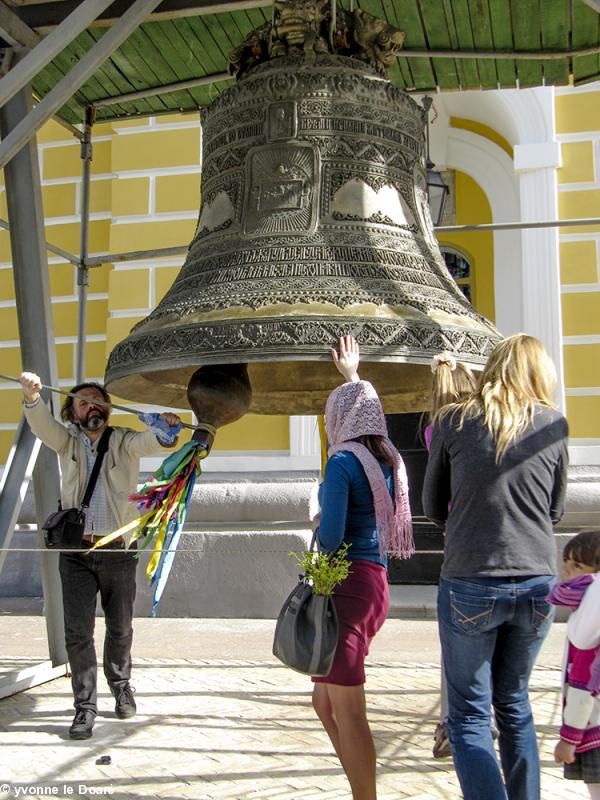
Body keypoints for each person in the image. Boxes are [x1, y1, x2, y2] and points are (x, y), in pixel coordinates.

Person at [422, 333, 569, 800]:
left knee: (468, 713)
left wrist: (467, 521)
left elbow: (433, 505)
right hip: (538, 578)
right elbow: (555, 510)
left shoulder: (454, 420)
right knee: (515, 703)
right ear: (539, 374)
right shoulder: (553, 424)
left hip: (470, 575)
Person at [20, 372, 182, 740]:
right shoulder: (67, 442)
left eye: (98, 401)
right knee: (78, 632)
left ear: (107, 408)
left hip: (119, 550)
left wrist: (166, 428)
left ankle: (121, 685)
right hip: (76, 552)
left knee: (120, 627)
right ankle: (85, 707)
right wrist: (31, 397)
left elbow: (155, 443)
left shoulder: (123, 440)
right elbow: (43, 426)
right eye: (83, 402)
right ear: (73, 412)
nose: (93, 406)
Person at [311, 335, 414, 800]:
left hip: (347, 585)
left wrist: (316, 518)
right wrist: (353, 376)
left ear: (338, 418)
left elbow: (331, 537)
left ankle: (364, 796)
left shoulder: (341, 463)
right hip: (373, 584)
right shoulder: (386, 458)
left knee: (347, 710)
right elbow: (363, 407)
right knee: (324, 701)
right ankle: (361, 784)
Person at [423, 351, 479, 759]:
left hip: (458, 547)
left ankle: (451, 721)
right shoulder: (491, 427)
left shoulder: (435, 431)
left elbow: (434, 502)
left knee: (456, 645)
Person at [548, 530, 600, 799]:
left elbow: (582, 687)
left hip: (593, 731)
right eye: (566, 563)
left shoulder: (590, 629)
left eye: (577, 566)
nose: (566, 573)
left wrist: (568, 740)